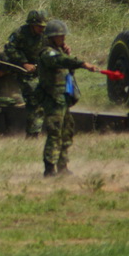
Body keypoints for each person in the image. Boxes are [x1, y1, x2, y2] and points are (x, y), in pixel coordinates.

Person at [36, 19, 99, 177]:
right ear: (51, 37)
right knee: (55, 132)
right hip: (53, 99)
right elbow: (59, 61)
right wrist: (82, 63)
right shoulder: (47, 52)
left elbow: (66, 70)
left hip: (62, 98)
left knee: (67, 132)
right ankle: (49, 168)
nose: (63, 39)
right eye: (60, 36)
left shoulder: (58, 52)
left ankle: (63, 165)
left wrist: (66, 54)